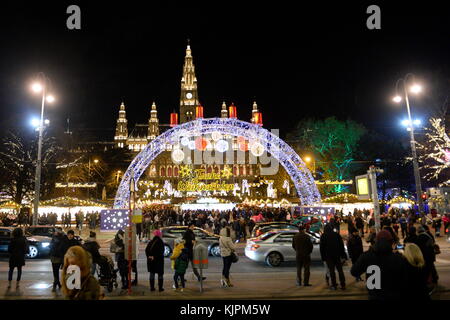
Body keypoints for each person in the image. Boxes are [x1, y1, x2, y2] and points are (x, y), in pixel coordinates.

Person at [351, 230, 407, 300]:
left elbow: (354, 271)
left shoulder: (367, 256)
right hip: (393, 295)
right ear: (390, 242)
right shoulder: (398, 258)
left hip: (374, 295)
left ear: (376, 241)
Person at [319, 224, 347, 290]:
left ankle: (334, 285)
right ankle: (343, 285)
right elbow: (341, 245)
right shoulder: (336, 235)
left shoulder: (323, 236)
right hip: (337, 255)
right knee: (340, 270)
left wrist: (323, 258)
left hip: (328, 256)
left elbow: (321, 248)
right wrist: (343, 255)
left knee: (332, 271)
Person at [219, 223, 236, 287]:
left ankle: (222, 280)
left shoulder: (220, 238)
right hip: (228, 254)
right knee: (227, 268)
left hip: (223, 254)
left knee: (224, 267)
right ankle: (227, 281)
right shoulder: (228, 239)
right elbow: (233, 248)